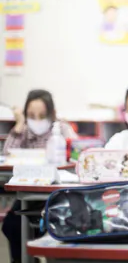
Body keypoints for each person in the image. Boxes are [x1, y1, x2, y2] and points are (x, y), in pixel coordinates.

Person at [2, 89, 78, 263]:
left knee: (52, 227)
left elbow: (76, 152)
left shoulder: (61, 129)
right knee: (11, 226)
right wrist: (20, 123)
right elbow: (8, 153)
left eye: (42, 115)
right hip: (29, 191)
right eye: (31, 115)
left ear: (51, 113)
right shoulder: (25, 130)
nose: (36, 120)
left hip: (55, 193)